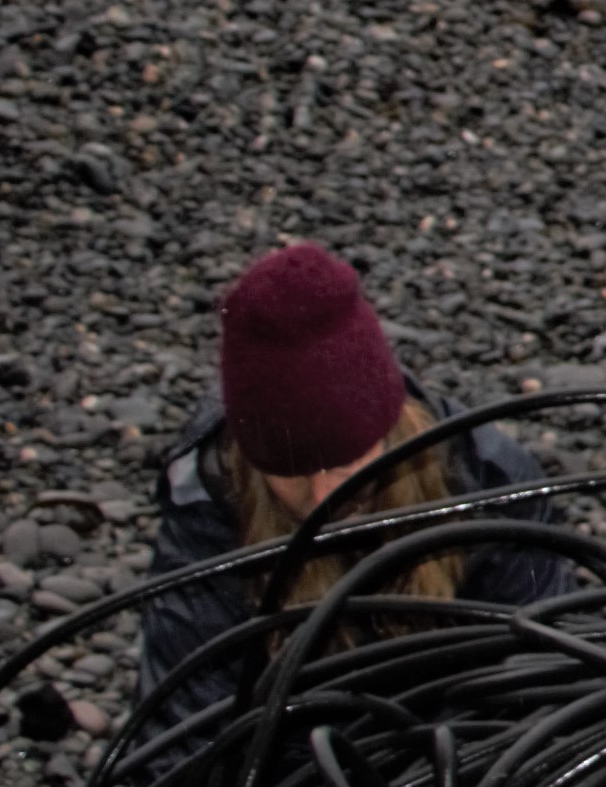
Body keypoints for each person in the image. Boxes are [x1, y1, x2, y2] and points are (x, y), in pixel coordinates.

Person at [142, 241, 568, 729]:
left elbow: (543, 680)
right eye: (294, 474)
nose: (325, 499)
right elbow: (185, 730)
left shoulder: (488, 479)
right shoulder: (207, 506)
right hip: (291, 783)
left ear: (388, 430)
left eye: (345, 464)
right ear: (255, 467)